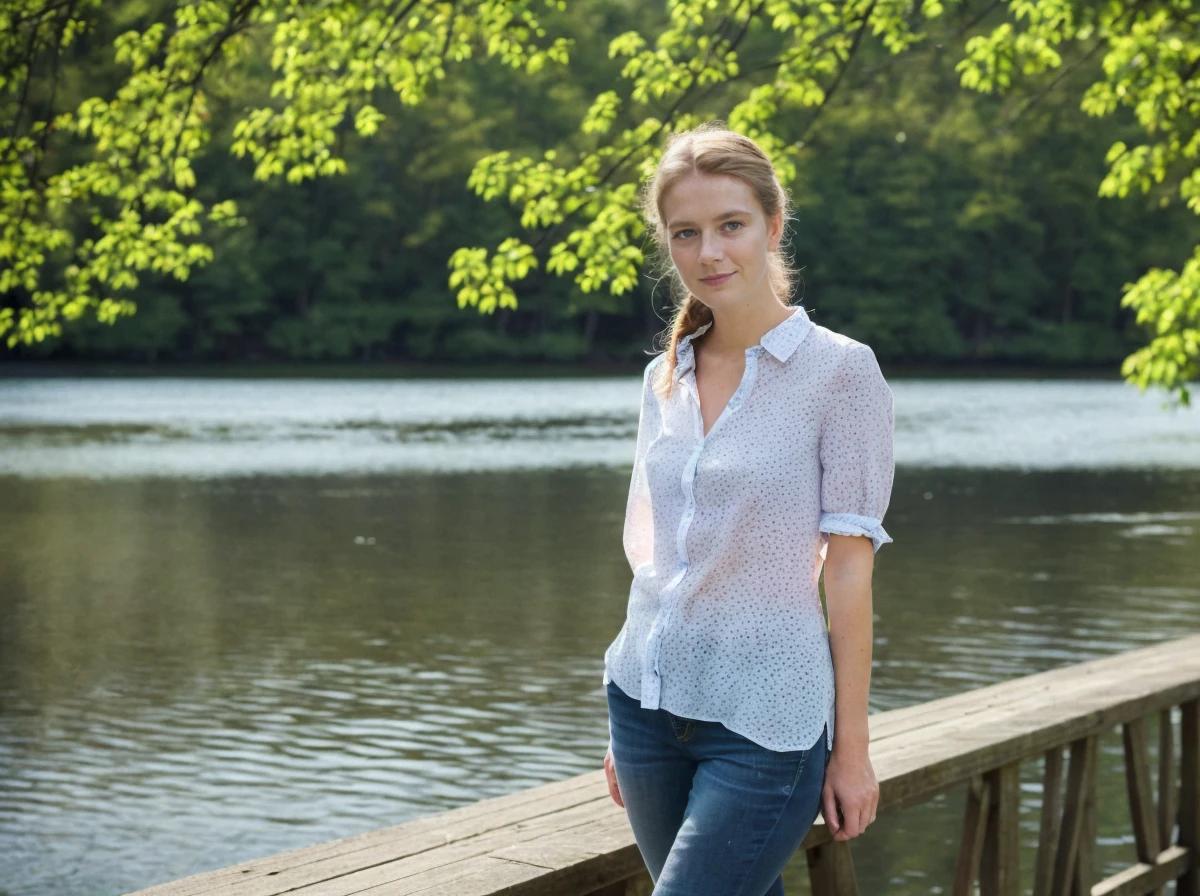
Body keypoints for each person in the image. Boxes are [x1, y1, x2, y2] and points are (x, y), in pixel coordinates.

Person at [600, 122, 895, 896]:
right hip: (644, 707)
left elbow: (850, 577)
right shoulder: (664, 379)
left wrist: (852, 749)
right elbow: (660, 559)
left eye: (730, 225)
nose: (709, 253)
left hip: (768, 723)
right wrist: (637, 700)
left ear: (772, 224)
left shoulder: (840, 373)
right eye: (685, 233)